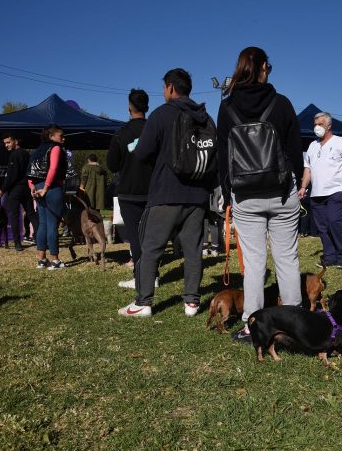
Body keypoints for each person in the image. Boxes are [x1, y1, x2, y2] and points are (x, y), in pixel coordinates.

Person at [217, 46, 304, 343]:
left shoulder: (226, 107)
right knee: (287, 259)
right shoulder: (281, 104)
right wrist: (295, 180)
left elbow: (222, 154)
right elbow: (294, 150)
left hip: (245, 194)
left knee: (254, 264)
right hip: (281, 192)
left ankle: (251, 324)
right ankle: (293, 325)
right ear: (264, 67)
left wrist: (228, 192)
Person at [118, 69, 216, 318]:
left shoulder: (161, 115)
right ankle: (192, 302)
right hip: (197, 194)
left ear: (170, 87)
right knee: (193, 250)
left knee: (150, 248)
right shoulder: (205, 117)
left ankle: (143, 301)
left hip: (165, 193)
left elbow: (141, 154)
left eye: (164, 88)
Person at [107, 88, 155, 290]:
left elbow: (112, 164)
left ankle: (141, 277)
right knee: (152, 236)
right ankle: (153, 275)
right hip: (153, 190)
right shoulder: (155, 129)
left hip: (129, 192)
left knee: (135, 237)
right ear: (147, 107)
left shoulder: (121, 133)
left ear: (129, 107)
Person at [300, 111, 342, 268]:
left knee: (334, 221)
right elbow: (308, 169)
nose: (317, 127)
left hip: (337, 191)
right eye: (315, 124)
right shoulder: (312, 146)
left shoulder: (340, 142)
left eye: (320, 124)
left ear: (329, 125)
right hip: (316, 194)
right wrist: (303, 187)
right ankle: (329, 256)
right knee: (322, 227)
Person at [27, 124, 69, 270]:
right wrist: (46, 187)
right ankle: (55, 260)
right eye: (61, 135)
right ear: (51, 136)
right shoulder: (55, 148)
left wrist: (32, 187)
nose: (63, 138)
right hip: (51, 188)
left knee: (43, 224)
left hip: (37, 188)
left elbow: (30, 172)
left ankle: (41, 260)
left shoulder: (37, 151)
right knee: (52, 225)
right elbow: (53, 168)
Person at [0, 132, 38, 251]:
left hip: (16, 190)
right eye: (5, 143)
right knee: (31, 214)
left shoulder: (14, 155)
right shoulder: (27, 154)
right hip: (27, 188)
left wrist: (2, 189)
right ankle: (40, 240)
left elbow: (12, 176)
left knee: (14, 215)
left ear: (16, 141)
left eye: (8, 142)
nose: (6, 145)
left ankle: (18, 243)